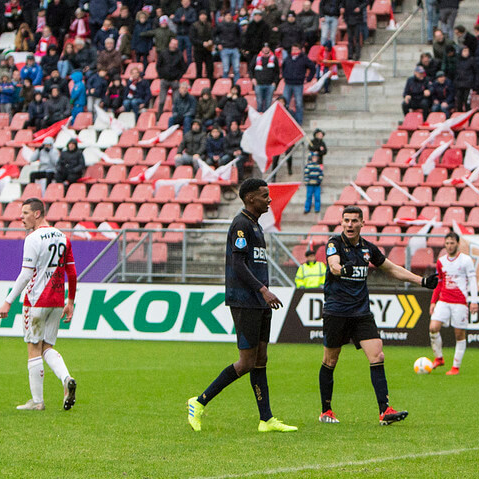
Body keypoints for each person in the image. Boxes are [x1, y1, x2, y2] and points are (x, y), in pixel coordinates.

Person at [187, 178, 297, 433]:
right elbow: (238, 264)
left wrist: (263, 294)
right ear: (250, 198)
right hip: (245, 300)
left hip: (259, 302)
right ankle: (199, 402)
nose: (269, 199)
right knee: (246, 362)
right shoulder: (240, 224)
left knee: (261, 359)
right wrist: (263, 290)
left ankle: (266, 419)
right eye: (264, 195)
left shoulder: (255, 226)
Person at [318, 206, 438, 425]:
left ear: (363, 224)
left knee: (377, 356)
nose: (350, 225)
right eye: (346, 220)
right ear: (341, 223)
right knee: (330, 360)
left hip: (361, 313)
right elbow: (333, 264)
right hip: (336, 312)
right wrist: (340, 269)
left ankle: (385, 411)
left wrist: (422, 281)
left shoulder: (367, 249)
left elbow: (391, 269)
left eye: (355, 221)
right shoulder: (334, 243)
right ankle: (326, 410)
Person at [0, 198, 79, 412]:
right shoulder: (63, 237)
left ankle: (37, 401)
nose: (21, 217)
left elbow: (26, 274)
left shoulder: (33, 238)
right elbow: (72, 272)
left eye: (25, 213)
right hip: (58, 300)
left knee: (33, 348)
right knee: (47, 347)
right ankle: (66, 378)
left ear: (38, 214)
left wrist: (7, 302)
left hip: (36, 300)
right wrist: (70, 301)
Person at [428, 232, 479, 376]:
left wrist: (474, 301)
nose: (449, 246)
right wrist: (433, 302)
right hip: (443, 300)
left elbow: (473, 281)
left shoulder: (466, 260)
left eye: (452, 243)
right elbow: (439, 283)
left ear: (457, 244)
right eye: (447, 243)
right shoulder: (441, 261)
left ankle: (455, 367)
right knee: (433, 327)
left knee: (459, 334)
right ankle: (439, 358)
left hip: (460, 302)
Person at [281, 46, 316, 124]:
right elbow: (283, 67)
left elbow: (313, 68)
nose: (294, 51)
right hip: (288, 83)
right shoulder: (288, 58)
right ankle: (284, 121)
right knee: (284, 103)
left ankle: (298, 122)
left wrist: (308, 79)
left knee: (299, 104)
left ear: (300, 50)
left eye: (296, 49)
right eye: (293, 49)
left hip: (298, 84)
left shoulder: (304, 58)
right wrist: (284, 76)